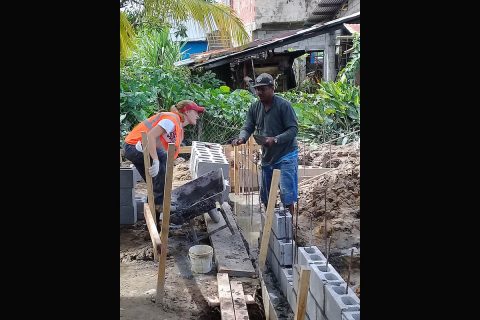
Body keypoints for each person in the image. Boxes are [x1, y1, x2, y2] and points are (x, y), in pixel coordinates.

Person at [123, 100, 205, 220]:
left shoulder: (179, 128)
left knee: (155, 185)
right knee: (162, 160)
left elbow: (163, 147)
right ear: (187, 112)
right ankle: (160, 204)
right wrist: (156, 160)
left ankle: (154, 221)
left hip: (142, 148)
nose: (198, 116)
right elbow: (151, 136)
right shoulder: (172, 120)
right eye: (196, 112)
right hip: (134, 146)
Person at [232, 73, 298, 214]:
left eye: (263, 89)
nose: (259, 92)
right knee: (265, 195)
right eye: (257, 89)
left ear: (272, 88)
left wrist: (275, 139)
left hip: (286, 155)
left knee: (287, 194)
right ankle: (270, 224)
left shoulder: (283, 106)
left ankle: (289, 226)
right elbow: (248, 126)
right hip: (268, 157)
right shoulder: (255, 108)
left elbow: (293, 129)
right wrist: (242, 138)